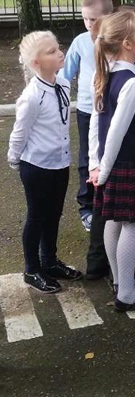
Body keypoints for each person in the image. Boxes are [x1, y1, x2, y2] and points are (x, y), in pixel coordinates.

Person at [88, 10, 135, 311]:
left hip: (110, 164)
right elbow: (115, 131)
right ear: (128, 44)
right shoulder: (132, 84)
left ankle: (121, 281)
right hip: (127, 163)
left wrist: (96, 163)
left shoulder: (105, 74)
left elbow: (96, 124)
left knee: (114, 223)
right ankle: (127, 294)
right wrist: (102, 170)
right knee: (131, 224)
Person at [8, 31, 83, 293]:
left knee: (54, 214)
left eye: (57, 47)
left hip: (59, 162)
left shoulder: (62, 83)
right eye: (51, 51)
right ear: (36, 63)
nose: (59, 52)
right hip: (36, 166)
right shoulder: (31, 96)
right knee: (37, 217)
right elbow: (20, 132)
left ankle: (49, 261)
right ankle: (31, 268)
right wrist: (15, 160)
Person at [59, 0, 114, 234]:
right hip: (85, 109)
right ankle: (87, 206)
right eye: (85, 19)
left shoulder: (116, 40)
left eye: (94, 19)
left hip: (111, 109)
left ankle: (110, 203)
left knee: (109, 156)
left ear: (108, 17)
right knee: (87, 158)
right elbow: (65, 75)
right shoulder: (80, 42)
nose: (90, 24)